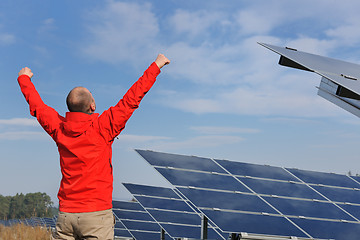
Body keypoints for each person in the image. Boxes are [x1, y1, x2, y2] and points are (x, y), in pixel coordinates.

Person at [17, 54, 170, 240]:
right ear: (92, 105)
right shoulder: (103, 127)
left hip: (66, 216)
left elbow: (38, 107)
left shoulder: (59, 128)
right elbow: (131, 99)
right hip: (96, 217)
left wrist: (24, 79)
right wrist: (156, 66)